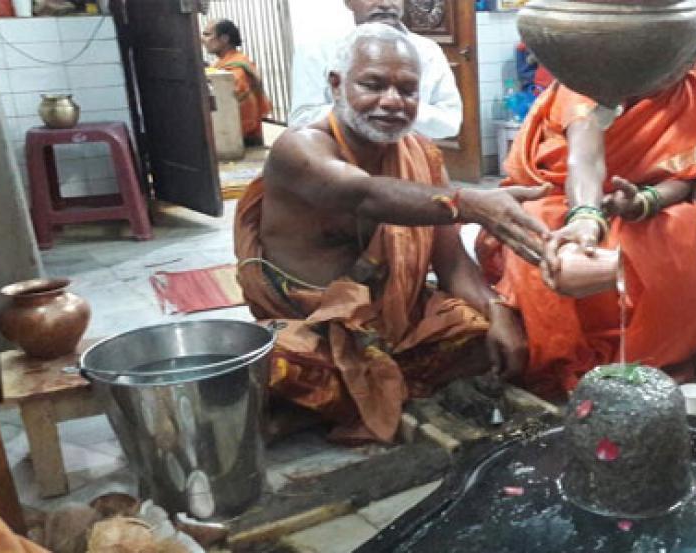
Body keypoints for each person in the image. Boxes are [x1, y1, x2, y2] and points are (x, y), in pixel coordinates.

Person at [236, 23, 549, 442]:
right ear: (336, 84)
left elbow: (452, 262)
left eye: (407, 90)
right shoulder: (300, 148)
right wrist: (471, 204)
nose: (391, 102)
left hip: (397, 326)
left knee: (487, 338)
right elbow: (360, 194)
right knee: (271, 368)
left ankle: (352, 396)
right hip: (312, 330)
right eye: (373, 85)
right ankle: (363, 390)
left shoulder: (421, 155)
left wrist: (497, 313)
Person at [485, 40, 696, 399]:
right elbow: (583, 160)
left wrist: (647, 201)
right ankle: (559, 360)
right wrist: (586, 216)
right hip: (564, 191)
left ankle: (649, 360)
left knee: (680, 225)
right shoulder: (588, 76)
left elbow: (688, 170)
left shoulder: (694, 86)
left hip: (640, 196)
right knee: (541, 220)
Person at [288, 0, 462, 140]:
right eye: (370, 85)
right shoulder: (318, 49)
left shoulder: (427, 51)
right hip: (341, 164)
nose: (386, 4)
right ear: (347, 2)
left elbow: (450, 123)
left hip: (410, 169)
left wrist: (404, 110)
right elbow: (302, 120)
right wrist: (362, 110)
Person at [203, 19, 273, 146]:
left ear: (224, 39)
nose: (203, 39)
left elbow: (242, 111)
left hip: (243, 139)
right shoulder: (225, 63)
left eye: (207, 34)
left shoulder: (236, 69)